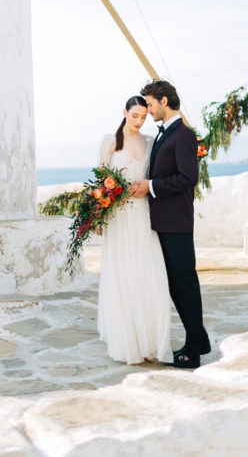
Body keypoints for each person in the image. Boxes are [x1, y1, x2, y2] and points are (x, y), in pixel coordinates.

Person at [130, 80, 211, 369]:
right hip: (165, 220)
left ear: (164, 101)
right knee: (177, 285)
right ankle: (199, 340)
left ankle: (192, 351)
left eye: (150, 105)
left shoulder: (183, 135)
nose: (148, 111)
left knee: (184, 284)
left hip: (176, 221)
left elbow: (188, 178)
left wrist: (150, 185)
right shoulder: (166, 134)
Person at [97, 95, 173, 365]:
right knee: (123, 272)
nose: (140, 121)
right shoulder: (110, 142)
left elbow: (157, 176)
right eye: (135, 116)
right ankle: (127, 340)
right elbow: (99, 182)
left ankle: (149, 341)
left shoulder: (151, 143)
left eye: (144, 116)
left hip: (142, 215)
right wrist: (98, 214)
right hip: (118, 217)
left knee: (146, 271)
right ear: (124, 113)